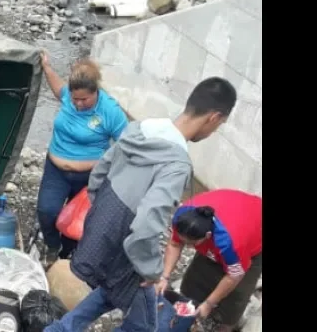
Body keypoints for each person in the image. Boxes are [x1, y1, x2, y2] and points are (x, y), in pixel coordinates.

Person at [45, 76, 238, 332]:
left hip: (101, 233)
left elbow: (99, 174)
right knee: (145, 323)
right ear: (213, 117)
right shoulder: (175, 164)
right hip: (128, 245)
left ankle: (58, 330)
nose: (214, 130)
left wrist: (102, 218)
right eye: (219, 125)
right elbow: (145, 226)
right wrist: (154, 273)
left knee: (111, 289)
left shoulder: (142, 128)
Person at [37, 54, 128, 263]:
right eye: (74, 98)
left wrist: (108, 166)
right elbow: (57, 86)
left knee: (78, 221)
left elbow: (126, 145)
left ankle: (66, 254)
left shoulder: (110, 111)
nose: (77, 104)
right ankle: (52, 245)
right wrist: (47, 67)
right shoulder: (69, 97)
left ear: (96, 92)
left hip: (90, 177)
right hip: (56, 170)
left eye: (83, 99)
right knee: (47, 210)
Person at [158, 189, 262, 332]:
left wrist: (209, 303)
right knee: (195, 280)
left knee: (236, 295)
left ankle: (225, 326)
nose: (187, 246)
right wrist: (164, 277)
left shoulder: (230, 242)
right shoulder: (184, 218)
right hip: (232, 210)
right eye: (184, 241)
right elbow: (175, 244)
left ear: (207, 236)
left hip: (254, 230)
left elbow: (235, 275)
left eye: (190, 243)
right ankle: (189, 313)